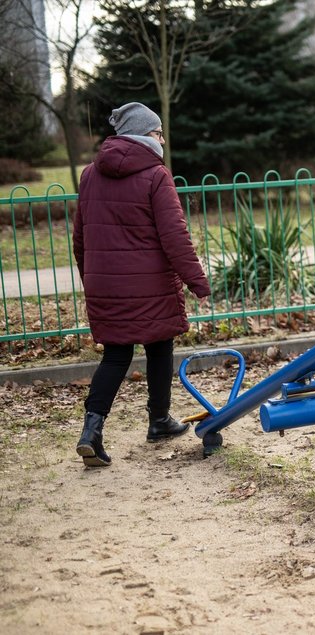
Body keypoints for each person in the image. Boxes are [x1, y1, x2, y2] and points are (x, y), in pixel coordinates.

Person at [73, 102, 211, 468]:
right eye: (158, 132)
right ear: (144, 134)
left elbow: (80, 237)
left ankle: (91, 430)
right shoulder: (155, 175)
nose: (162, 139)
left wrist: (90, 278)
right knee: (159, 345)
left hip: (105, 283)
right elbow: (174, 236)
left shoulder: (89, 174)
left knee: (116, 354)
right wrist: (197, 282)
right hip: (150, 284)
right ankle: (159, 420)